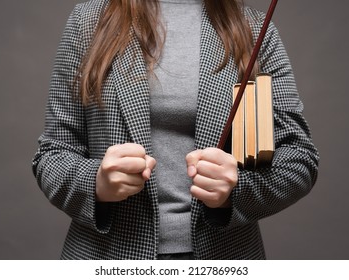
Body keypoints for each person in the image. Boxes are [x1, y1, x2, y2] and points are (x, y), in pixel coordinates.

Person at [32, 0, 319, 260]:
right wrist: (96, 183)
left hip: (225, 258)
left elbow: (299, 160)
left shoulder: (255, 30)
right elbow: (53, 155)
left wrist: (235, 191)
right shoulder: (88, 21)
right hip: (106, 258)